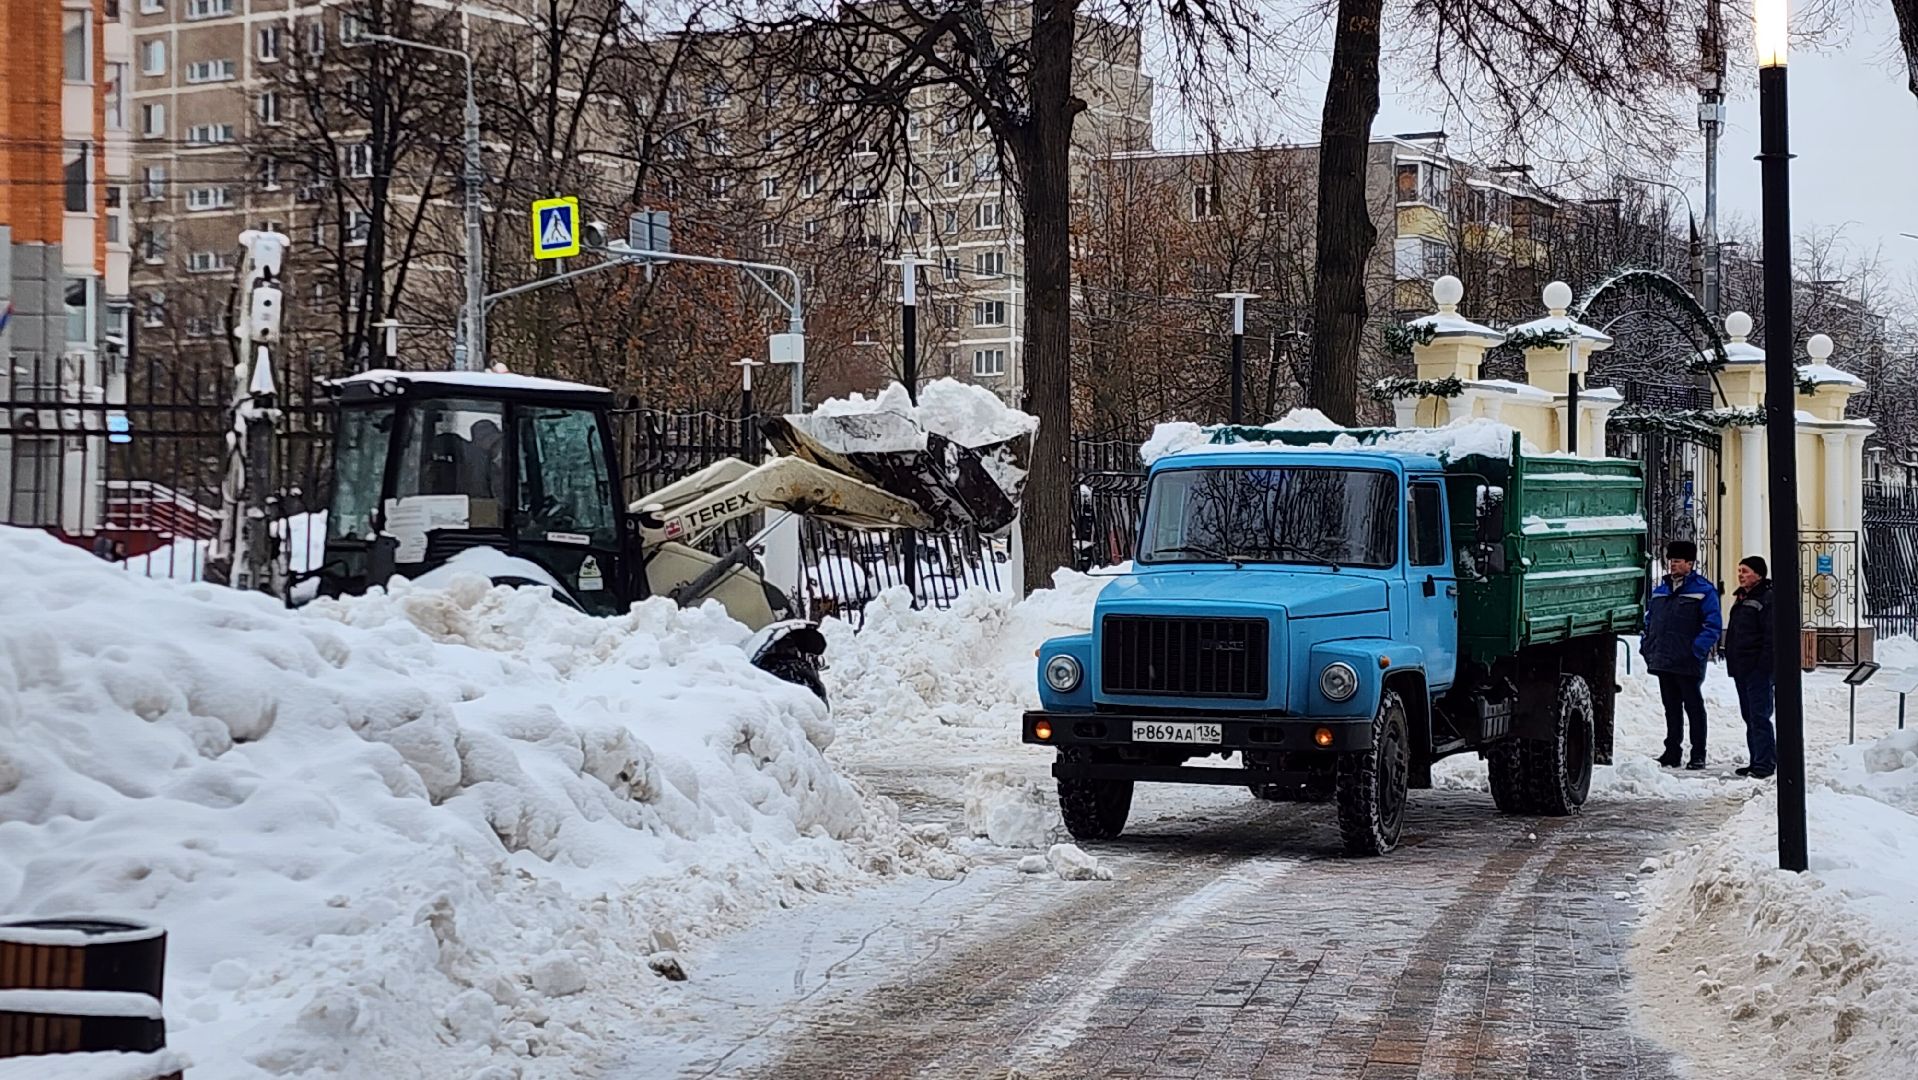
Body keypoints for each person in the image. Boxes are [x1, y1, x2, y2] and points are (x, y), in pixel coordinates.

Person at [1643, 540, 1722, 770]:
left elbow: (1712, 626)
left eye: (1677, 561)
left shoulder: (1704, 591)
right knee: (1671, 707)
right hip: (1664, 659)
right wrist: (1647, 645)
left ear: (1689, 563)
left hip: (1688, 661)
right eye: (1671, 561)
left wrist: (1695, 650)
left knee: (1694, 707)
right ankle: (1672, 751)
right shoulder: (1661, 590)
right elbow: (1650, 621)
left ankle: (1698, 753)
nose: (1672, 565)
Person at [1723, 556, 1777, 779]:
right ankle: (1756, 760)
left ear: (1759, 574)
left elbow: (1771, 636)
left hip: (1757, 669)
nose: (1741, 575)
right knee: (1750, 716)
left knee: (1759, 716)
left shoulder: (1767, 598)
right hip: (1742, 667)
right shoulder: (1742, 598)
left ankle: (1765, 762)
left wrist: (1763, 666)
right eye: (1739, 570)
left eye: (1745, 571)